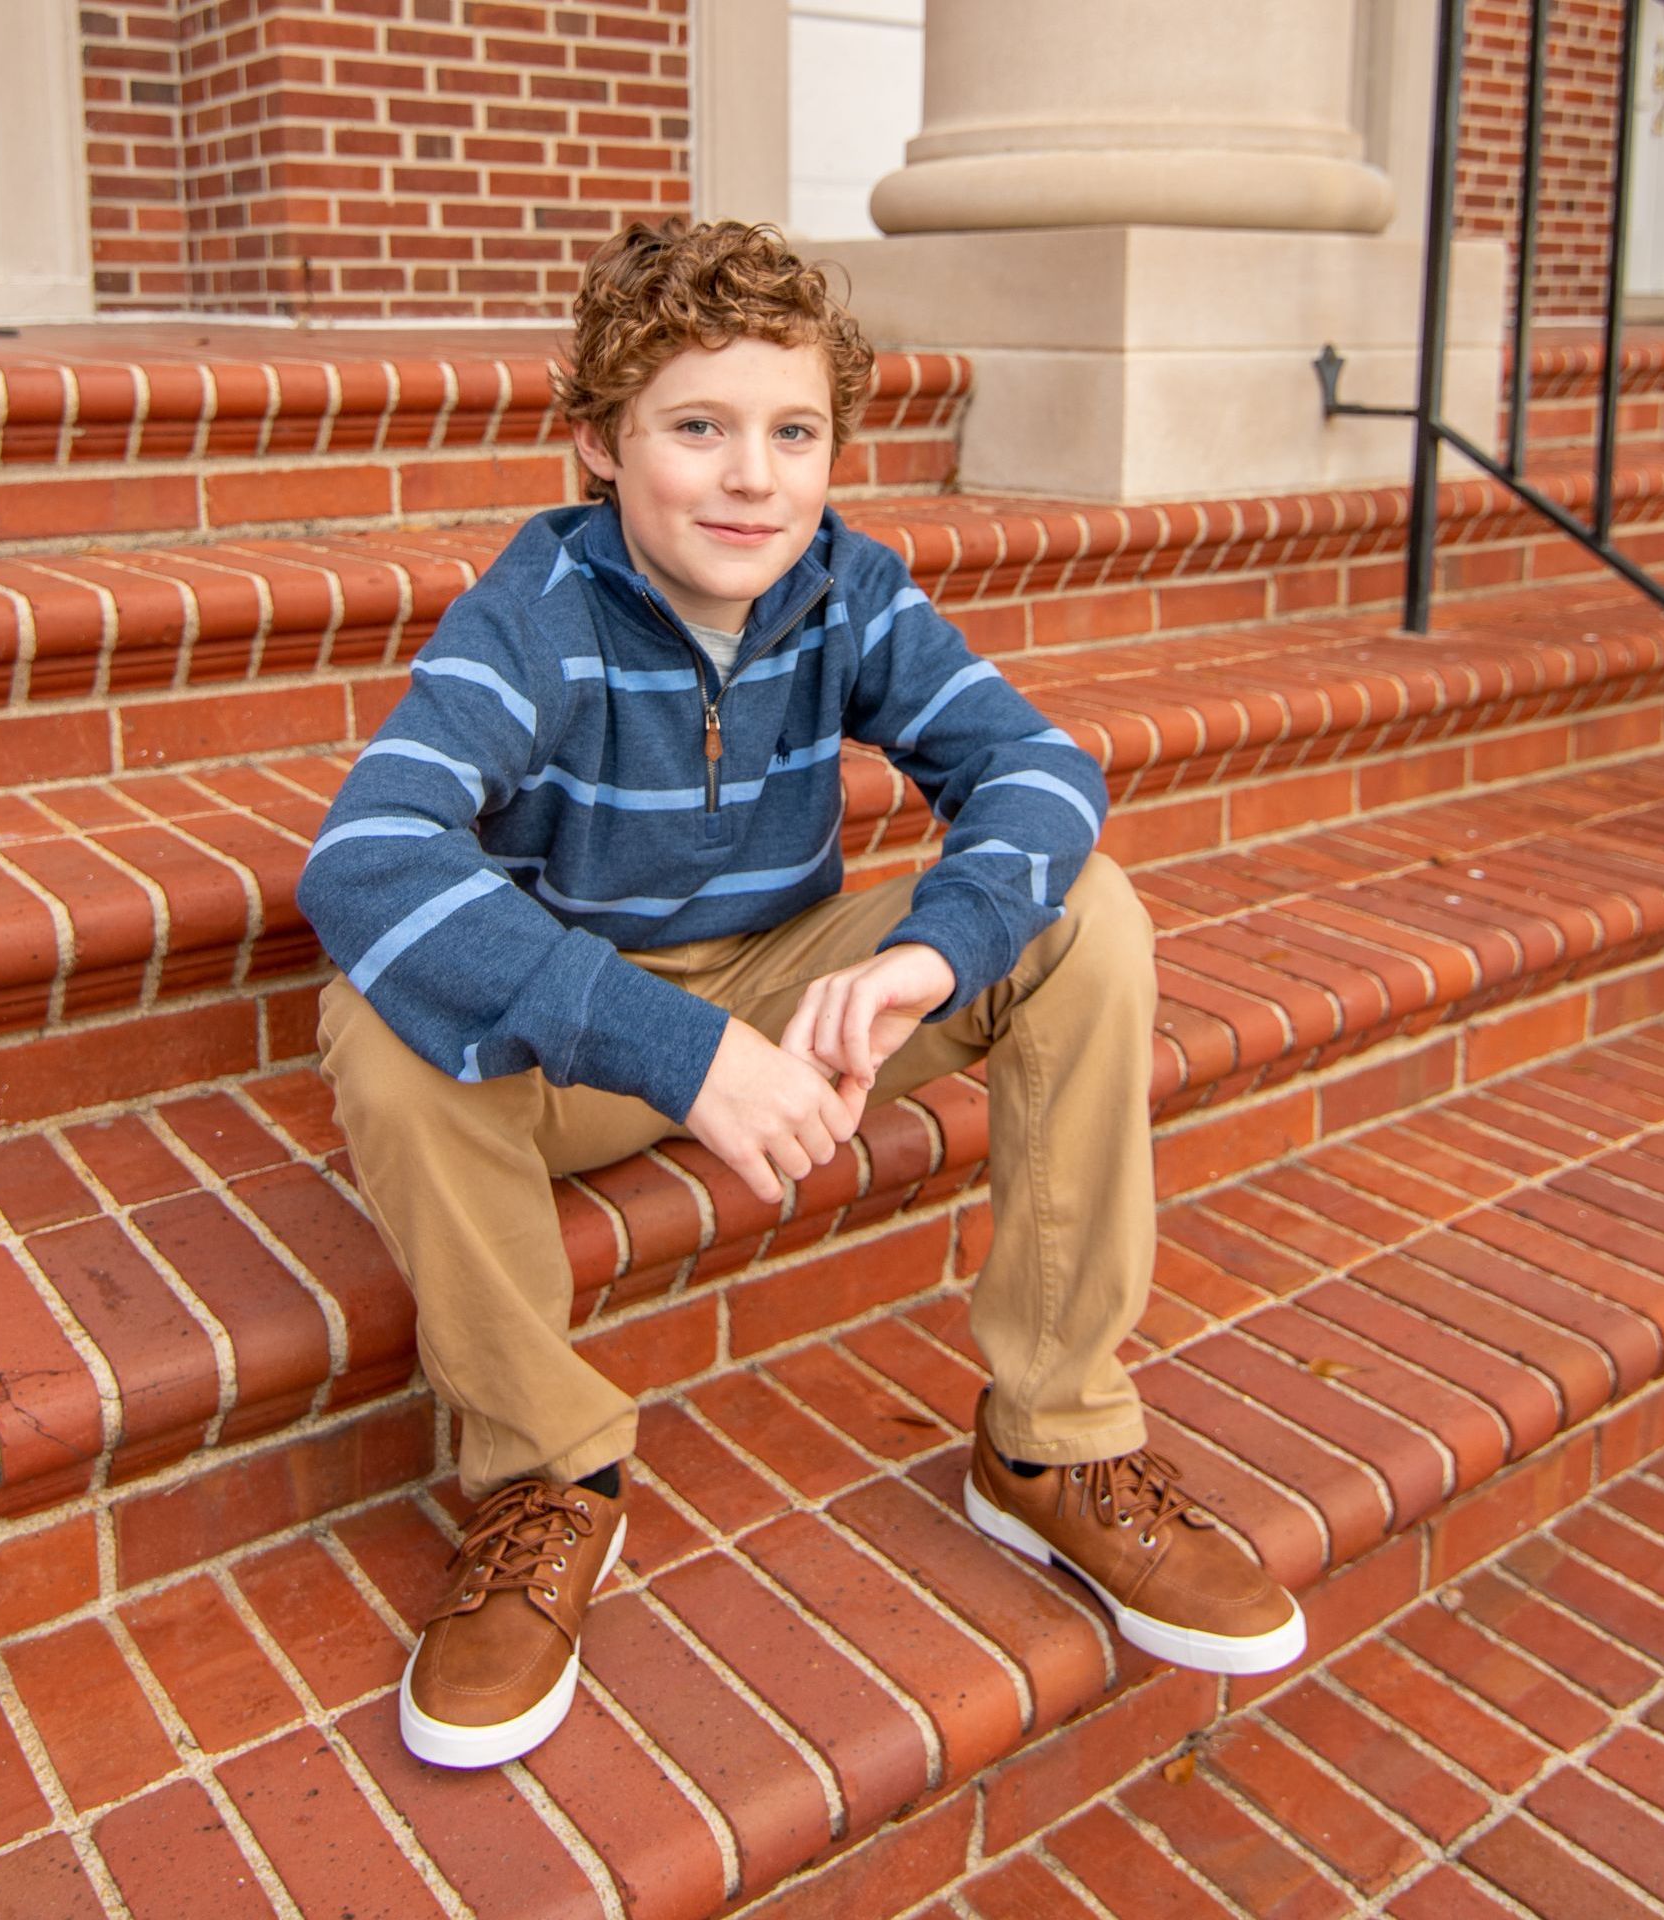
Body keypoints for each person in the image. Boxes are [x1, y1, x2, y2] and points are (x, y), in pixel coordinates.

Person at [299, 219, 1304, 1771]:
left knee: (1080, 916)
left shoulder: (848, 589)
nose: (752, 478)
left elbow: (1037, 768)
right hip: (582, 1041)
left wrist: (922, 957)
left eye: (793, 432)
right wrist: (677, 1049)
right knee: (380, 1016)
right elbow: (366, 856)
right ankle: (542, 1474)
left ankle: (1052, 1441)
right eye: (695, 428)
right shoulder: (537, 613)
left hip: (794, 992)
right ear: (599, 446)